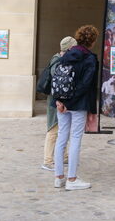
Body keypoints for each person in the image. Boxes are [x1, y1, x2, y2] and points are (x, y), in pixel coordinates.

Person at [53, 25, 99, 190]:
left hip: (62, 102)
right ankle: (72, 179)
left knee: (61, 138)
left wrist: (59, 101)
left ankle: (58, 177)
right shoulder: (90, 58)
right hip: (78, 103)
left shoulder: (66, 55)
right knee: (76, 139)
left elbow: (58, 78)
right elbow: (87, 85)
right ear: (92, 41)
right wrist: (92, 110)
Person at [41, 36, 77, 171]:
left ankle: (65, 156)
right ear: (69, 48)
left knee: (63, 129)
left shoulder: (60, 59)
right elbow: (59, 83)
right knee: (53, 129)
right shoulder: (58, 61)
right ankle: (48, 160)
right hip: (55, 101)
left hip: (59, 100)